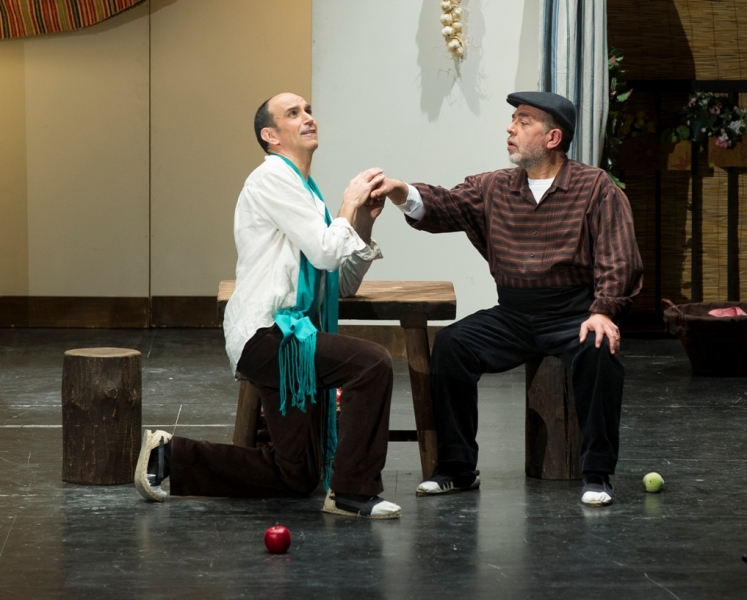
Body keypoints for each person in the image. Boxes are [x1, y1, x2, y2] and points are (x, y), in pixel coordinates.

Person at [134, 92, 401, 519]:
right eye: (294, 113)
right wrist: (348, 205)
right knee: (371, 364)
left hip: (290, 338)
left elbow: (341, 282)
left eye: (308, 110)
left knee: (295, 475)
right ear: (270, 136)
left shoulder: (305, 192)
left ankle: (170, 456)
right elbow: (326, 254)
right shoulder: (271, 178)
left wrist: (363, 221)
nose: (308, 117)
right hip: (268, 336)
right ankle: (353, 492)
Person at [371, 91, 643, 506]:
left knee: (598, 349)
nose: (510, 128)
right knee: (453, 345)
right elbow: (444, 204)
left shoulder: (594, 187)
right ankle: (458, 469)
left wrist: (604, 310)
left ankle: (597, 473)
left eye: (523, 121)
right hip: (513, 314)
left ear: (552, 138)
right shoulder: (494, 186)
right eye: (513, 119)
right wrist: (399, 190)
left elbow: (618, 255)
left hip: (573, 313)